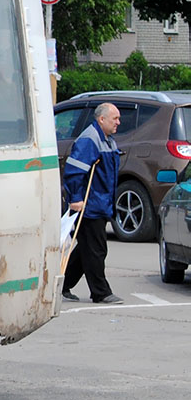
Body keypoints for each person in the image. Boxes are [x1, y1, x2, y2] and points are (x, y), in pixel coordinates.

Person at [62, 102, 123, 303]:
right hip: (89, 205)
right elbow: (74, 171)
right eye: (115, 118)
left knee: (86, 249)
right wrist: (76, 198)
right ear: (101, 119)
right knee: (96, 250)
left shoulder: (108, 140)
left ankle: (61, 285)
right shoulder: (90, 139)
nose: (118, 123)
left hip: (100, 204)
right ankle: (100, 292)